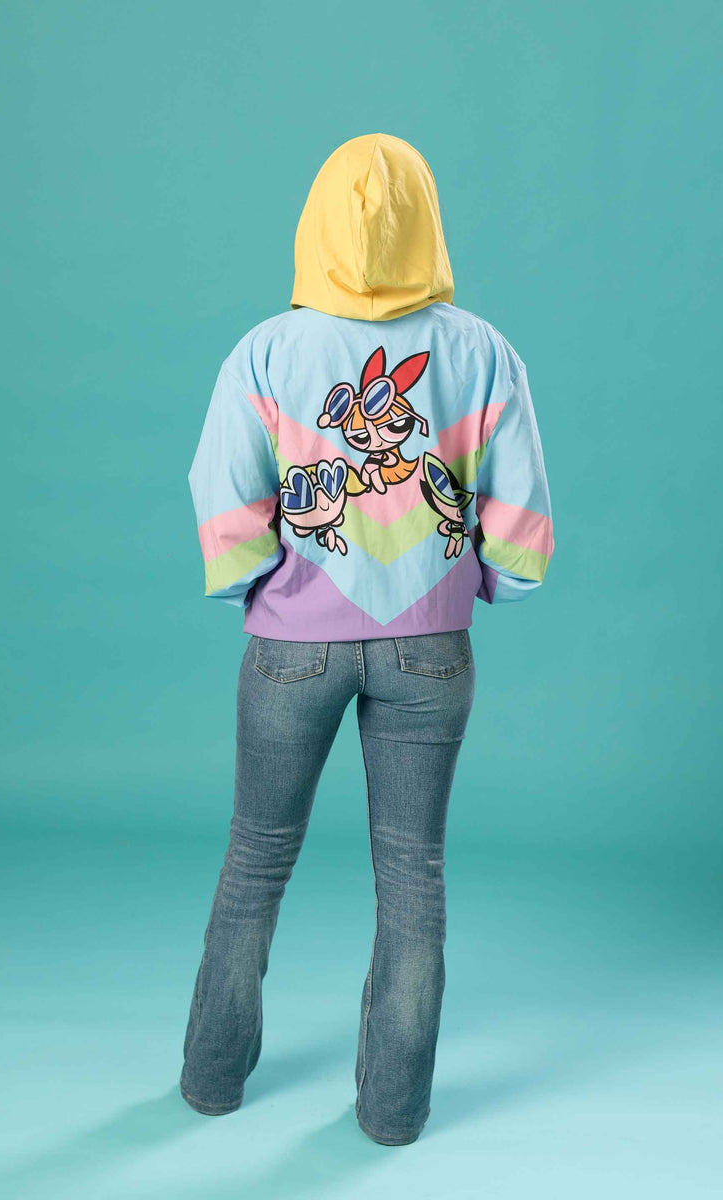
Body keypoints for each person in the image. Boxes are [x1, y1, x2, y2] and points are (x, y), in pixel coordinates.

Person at [180, 132, 554, 1146]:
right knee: (413, 876)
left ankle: (212, 1081)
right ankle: (392, 1113)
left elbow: (222, 492)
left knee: (256, 859)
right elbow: (521, 507)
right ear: (428, 223)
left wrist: (261, 587)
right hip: (431, 648)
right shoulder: (482, 351)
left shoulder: (266, 351)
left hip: (290, 649)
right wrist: (489, 580)